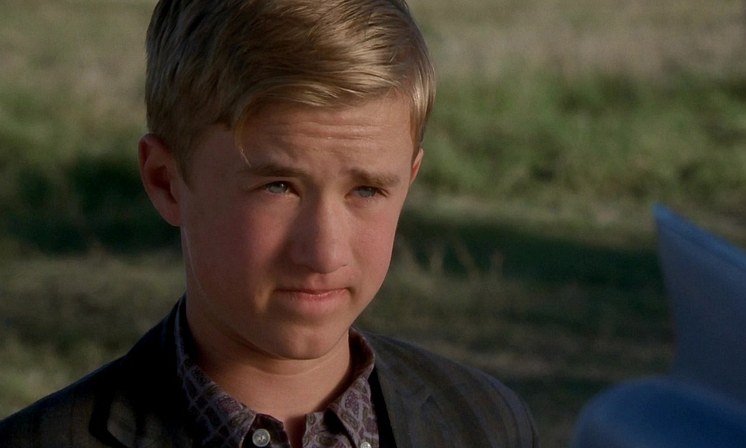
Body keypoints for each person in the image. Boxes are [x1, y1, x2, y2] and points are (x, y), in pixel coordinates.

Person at [0, 0, 539, 446]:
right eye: (278, 187)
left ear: (409, 180)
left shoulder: (487, 423)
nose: (324, 253)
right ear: (166, 181)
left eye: (367, 190)